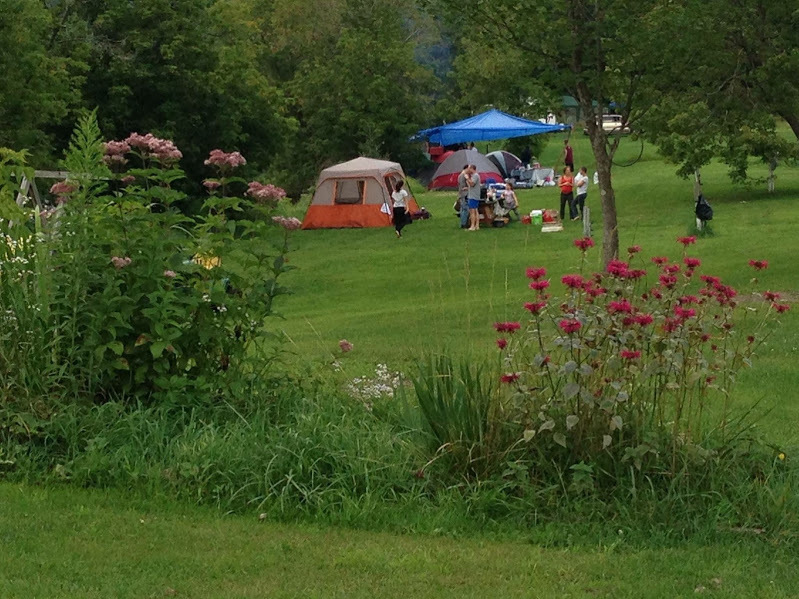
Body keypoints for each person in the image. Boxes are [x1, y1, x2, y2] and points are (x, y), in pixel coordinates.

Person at [466, 164, 481, 231]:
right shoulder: (475, 176)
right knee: (476, 210)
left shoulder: (475, 175)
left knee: (472, 211)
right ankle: (477, 226)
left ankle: (472, 226)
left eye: (469, 168)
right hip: (475, 195)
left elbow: (472, 184)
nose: (468, 170)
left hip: (473, 196)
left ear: (472, 169)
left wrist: (467, 178)